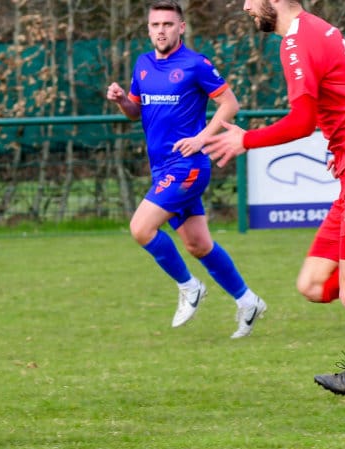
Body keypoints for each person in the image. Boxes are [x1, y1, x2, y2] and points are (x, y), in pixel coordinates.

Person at [202, 1, 345, 392]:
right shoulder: (318, 29)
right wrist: (338, 149)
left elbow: (302, 122)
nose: (246, 6)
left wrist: (246, 139)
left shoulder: (297, 40)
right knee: (315, 284)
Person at [106, 0, 266, 339]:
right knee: (198, 245)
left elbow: (230, 104)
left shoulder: (196, 64)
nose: (161, 30)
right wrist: (122, 100)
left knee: (140, 228)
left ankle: (189, 287)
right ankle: (248, 301)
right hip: (161, 167)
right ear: (148, 29)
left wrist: (202, 138)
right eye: (155, 25)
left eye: (168, 24)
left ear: (181, 27)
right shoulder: (143, 64)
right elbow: (135, 112)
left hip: (188, 166)